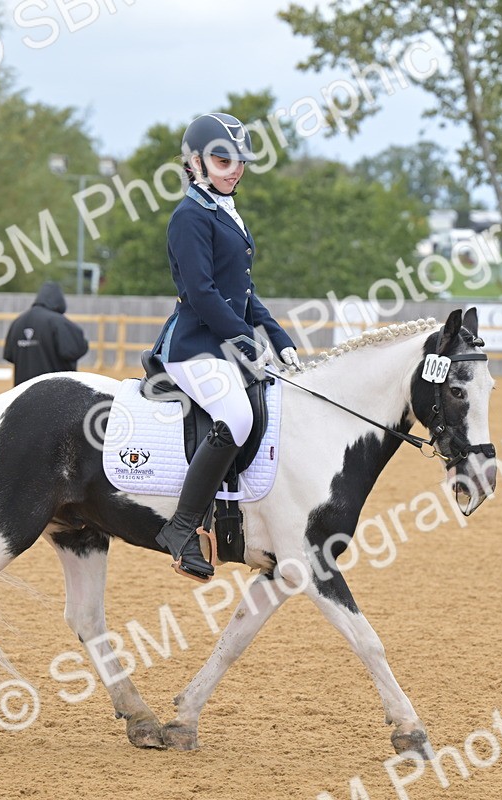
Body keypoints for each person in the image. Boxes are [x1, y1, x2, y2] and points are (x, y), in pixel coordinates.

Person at [150, 112, 302, 582]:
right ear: (194, 162)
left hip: (219, 343)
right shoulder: (189, 216)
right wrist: (241, 337)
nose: (234, 169)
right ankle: (181, 528)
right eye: (222, 160)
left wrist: (276, 336)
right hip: (192, 348)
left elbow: (242, 290)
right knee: (238, 415)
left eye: (240, 162)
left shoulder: (224, 211)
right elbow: (201, 292)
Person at [2, 280, 89, 386]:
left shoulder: (17, 322)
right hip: (55, 392)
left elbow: (9, 355)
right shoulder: (59, 323)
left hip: (23, 393)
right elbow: (75, 349)